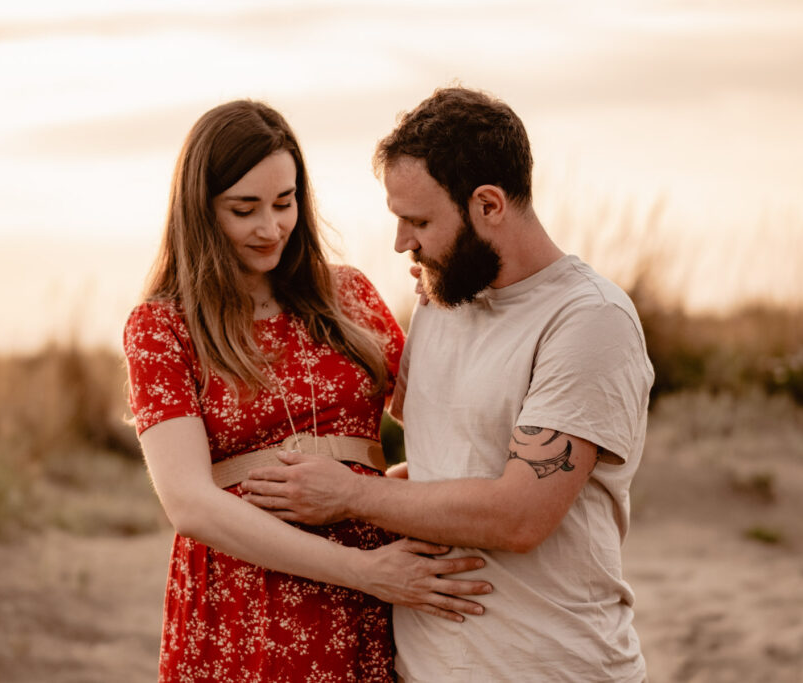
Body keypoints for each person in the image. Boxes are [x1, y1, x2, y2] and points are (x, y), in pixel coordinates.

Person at [242, 87, 654, 682]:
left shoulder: (589, 319)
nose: (401, 242)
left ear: (488, 205)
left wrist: (350, 495)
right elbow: (445, 458)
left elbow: (520, 515)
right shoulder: (440, 299)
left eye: (419, 221)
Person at [122, 99, 491, 683]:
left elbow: (441, 422)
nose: (271, 228)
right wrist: (362, 570)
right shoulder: (163, 327)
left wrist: (449, 309)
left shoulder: (349, 295)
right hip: (249, 601)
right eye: (244, 209)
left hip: (375, 587)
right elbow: (189, 503)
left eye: (284, 202)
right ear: (200, 211)